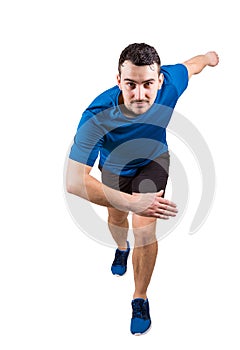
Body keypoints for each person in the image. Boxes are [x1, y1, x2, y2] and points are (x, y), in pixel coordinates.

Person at [66, 43, 219, 335]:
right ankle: (121, 248)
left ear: (160, 81)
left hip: (153, 162)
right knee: (117, 219)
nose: (139, 95)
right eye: (130, 85)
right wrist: (130, 202)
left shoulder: (171, 84)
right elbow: (74, 182)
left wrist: (209, 59)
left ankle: (139, 297)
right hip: (114, 169)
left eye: (148, 84)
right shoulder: (97, 114)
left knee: (146, 230)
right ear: (118, 81)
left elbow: (192, 64)